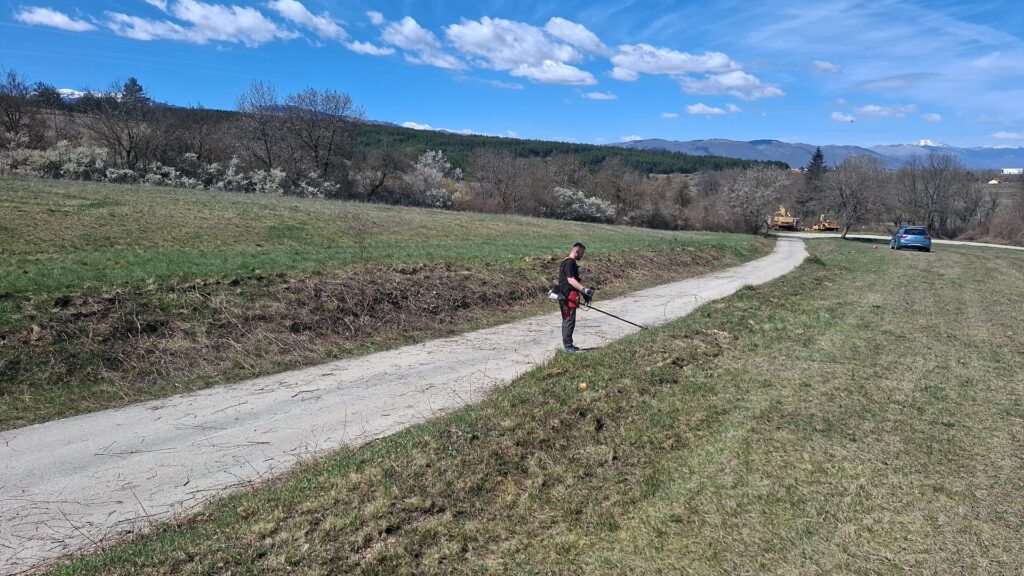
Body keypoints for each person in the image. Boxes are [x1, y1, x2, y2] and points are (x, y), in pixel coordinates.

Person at [557, 242, 594, 353]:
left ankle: (569, 345)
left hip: (567, 296)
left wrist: (583, 294)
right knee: (569, 320)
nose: (582, 255)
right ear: (577, 251)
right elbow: (571, 280)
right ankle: (568, 347)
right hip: (567, 297)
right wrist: (585, 290)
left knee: (569, 320)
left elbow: (574, 281)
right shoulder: (569, 262)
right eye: (582, 253)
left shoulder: (568, 262)